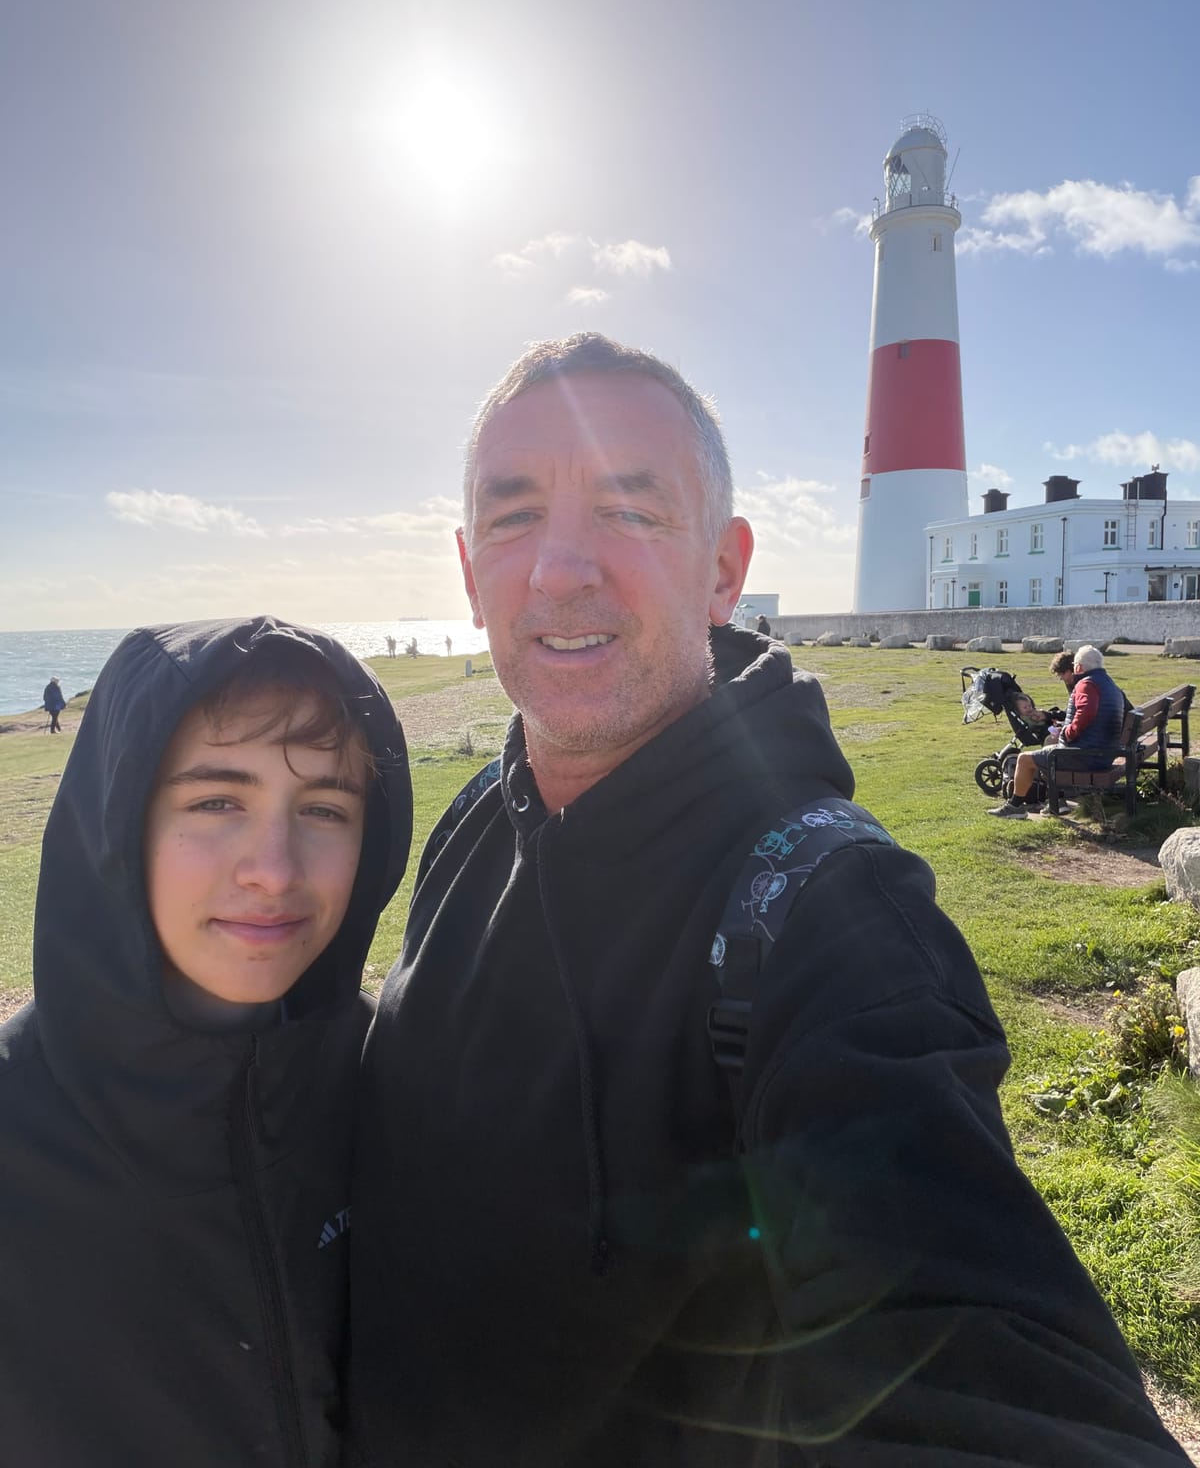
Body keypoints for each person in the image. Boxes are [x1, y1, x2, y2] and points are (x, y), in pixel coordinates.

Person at [349, 334, 1185, 1466]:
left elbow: (1014, 1391)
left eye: (630, 510)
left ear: (724, 569)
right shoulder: (469, 827)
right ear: (465, 568)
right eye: (511, 517)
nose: (557, 568)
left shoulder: (828, 915)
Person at [0, 617, 412, 1467]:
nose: (275, 868)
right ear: (119, 826)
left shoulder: (394, 1081)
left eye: (325, 808)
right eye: (216, 801)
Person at [989, 644, 1126, 818]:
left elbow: (1087, 712)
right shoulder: (1110, 685)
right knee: (1047, 751)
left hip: (1085, 756)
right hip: (1103, 754)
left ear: (1078, 667)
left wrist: (1067, 733)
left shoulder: (1087, 684)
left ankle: (1015, 807)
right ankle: (1055, 801)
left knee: (1024, 759)